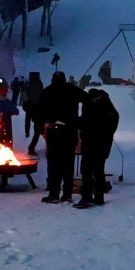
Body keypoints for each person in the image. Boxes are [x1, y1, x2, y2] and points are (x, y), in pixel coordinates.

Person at [38, 71, 88, 203]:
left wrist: (46, 121)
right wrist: (79, 121)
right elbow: (88, 99)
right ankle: (67, 194)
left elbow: (39, 110)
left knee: (54, 165)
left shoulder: (48, 91)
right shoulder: (72, 90)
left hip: (54, 132)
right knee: (68, 164)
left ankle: (54, 194)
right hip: (70, 131)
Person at [74, 89, 119, 208]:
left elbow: (85, 121)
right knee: (99, 170)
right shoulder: (107, 105)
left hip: (92, 142)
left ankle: (87, 197)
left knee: (87, 170)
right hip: (102, 143)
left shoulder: (92, 105)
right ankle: (99, 198)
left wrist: (77, 123)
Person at [23, 71, 45, 155]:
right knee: (38, 130)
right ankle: (31, 147)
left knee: (30, 122)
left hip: (31, 107)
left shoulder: (29, 84)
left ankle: (28, 133)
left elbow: (25, 95)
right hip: (38, 108)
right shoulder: (39, 84)